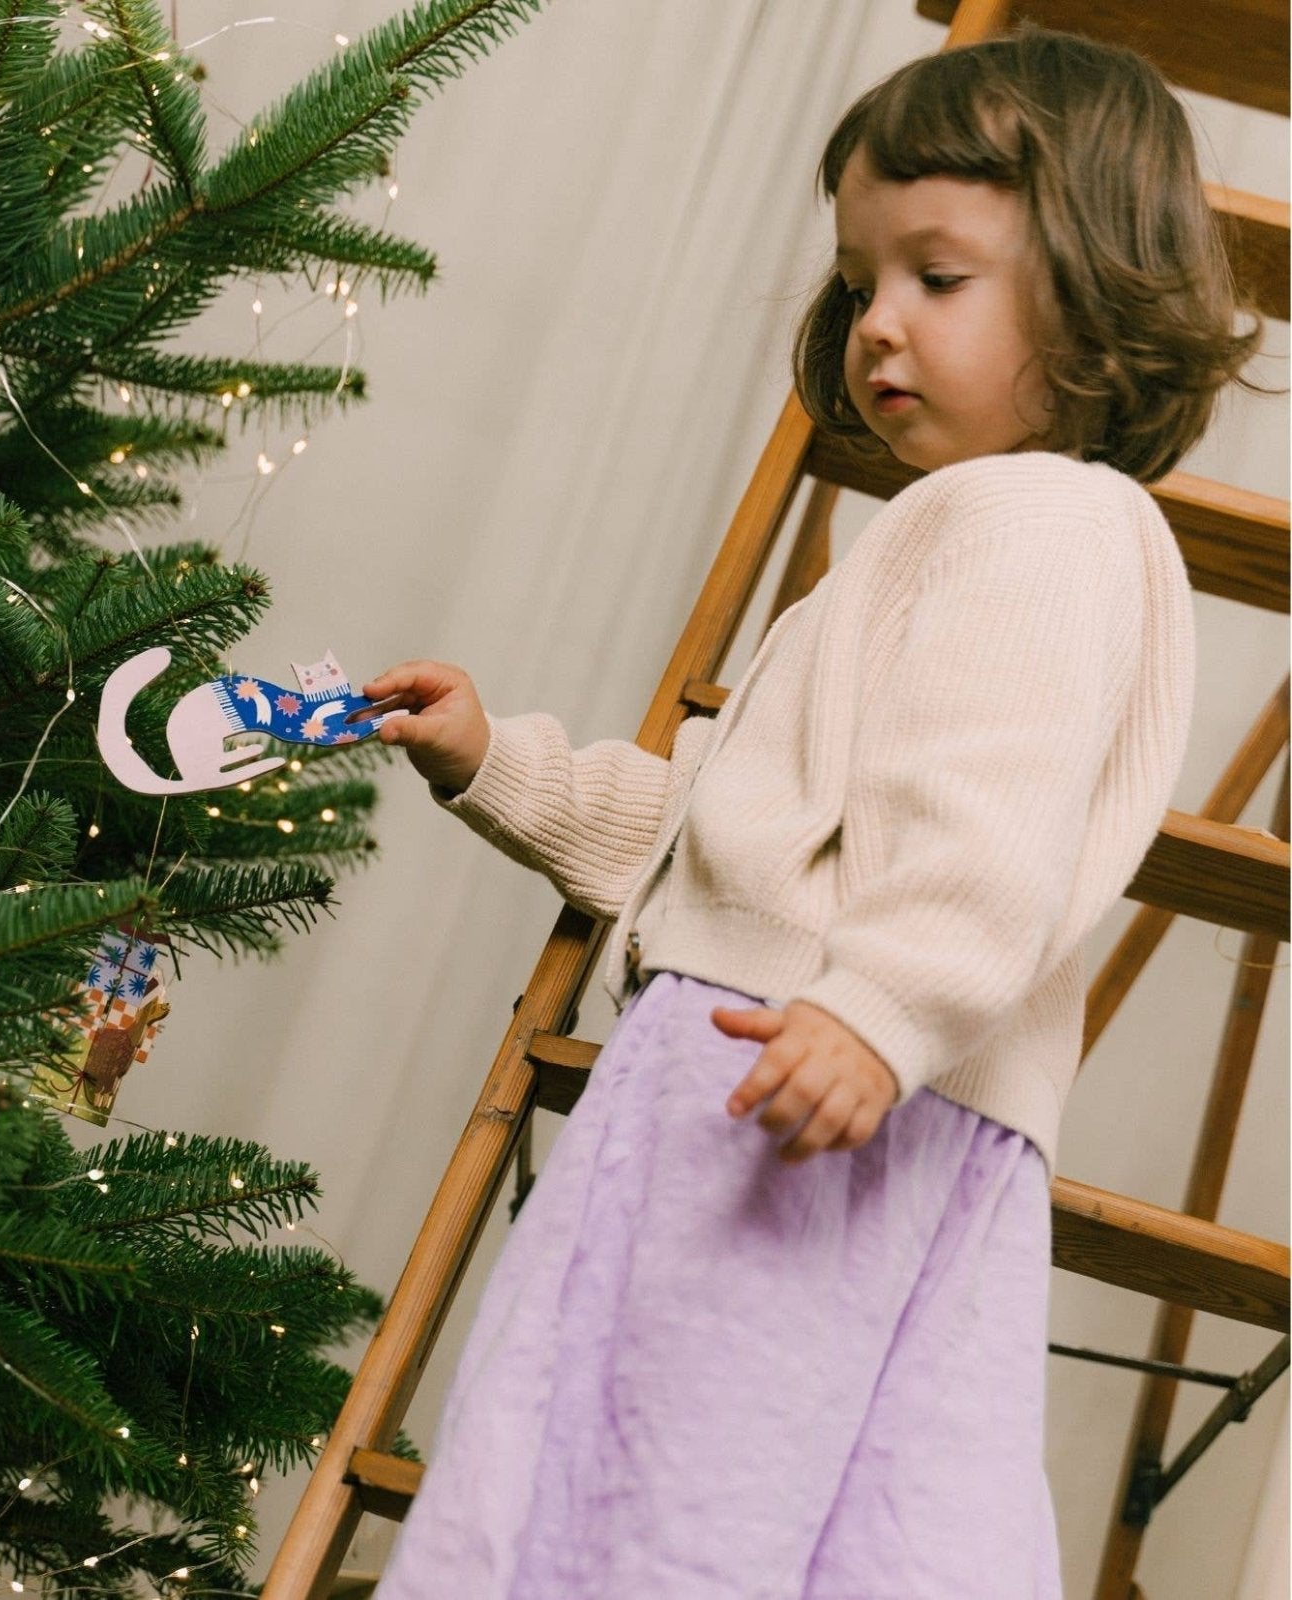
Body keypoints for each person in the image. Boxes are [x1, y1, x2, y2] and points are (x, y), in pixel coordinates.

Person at [361, 28, 1259, 1600]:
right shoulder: (974, 529)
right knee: (838, 1512)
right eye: (861, 279)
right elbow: (732, 845)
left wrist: (881, 1005)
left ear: (1096, 290)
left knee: (670, 1499)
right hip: (835, 1058)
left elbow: (996, 832)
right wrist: (499, 760)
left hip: (794, 1085)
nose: (876, 326)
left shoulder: (1036, 530)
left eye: (939, 277)